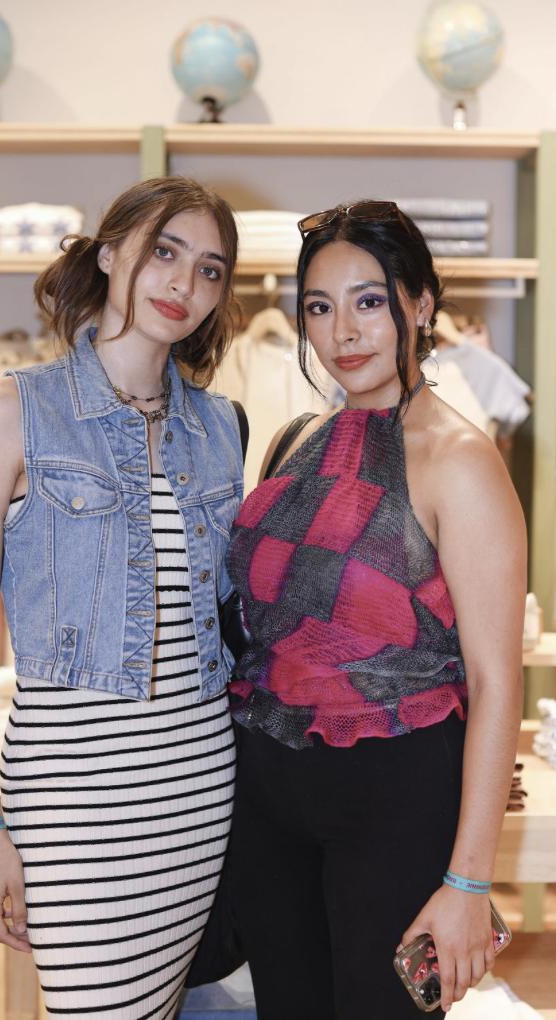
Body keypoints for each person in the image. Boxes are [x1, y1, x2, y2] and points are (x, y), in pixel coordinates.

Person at [0, 176, 244, 1019]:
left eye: (210, 269)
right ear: (110, 254)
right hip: (72, 805)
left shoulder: (221, 426)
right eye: (165, 251)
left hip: (197, 788)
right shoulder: (12, 412)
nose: (184, 283)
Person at [226, 200, 526, 1020]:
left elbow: (496, 682)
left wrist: (469, 880)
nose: (343, 331)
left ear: (421, 305)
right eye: (319, 307)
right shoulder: (295, 440)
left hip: (396, 796)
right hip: (269, 795)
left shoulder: (461, 460)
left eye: (368, 300)